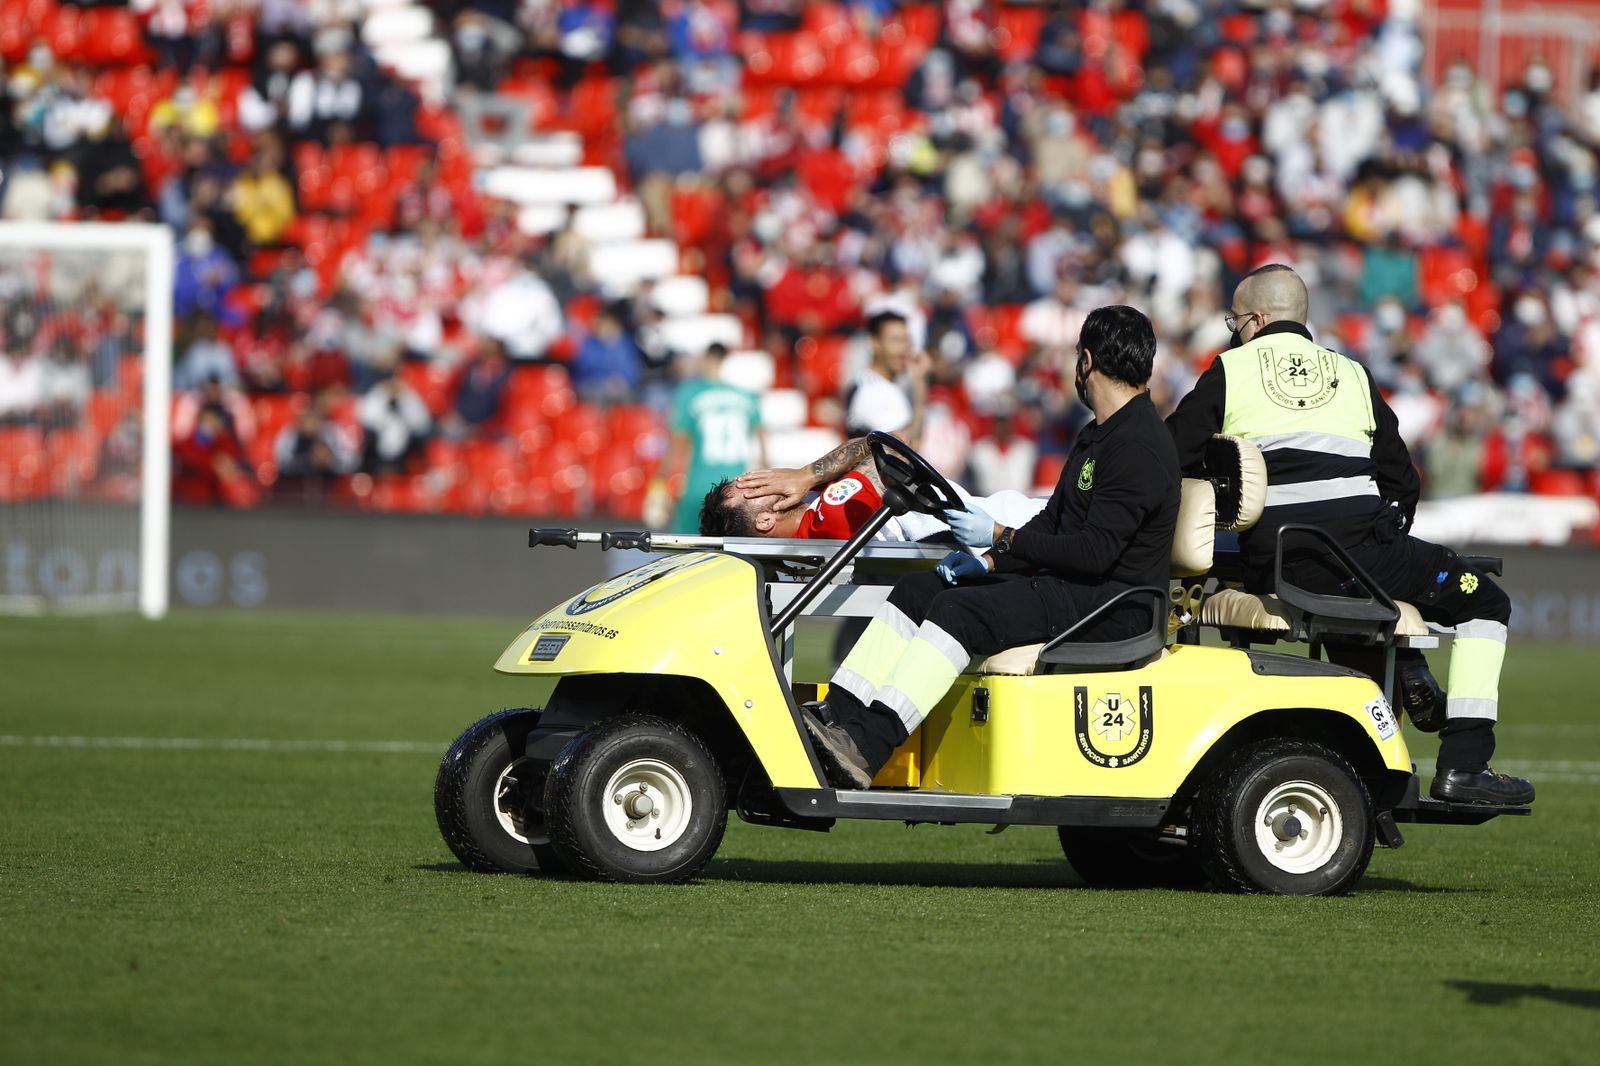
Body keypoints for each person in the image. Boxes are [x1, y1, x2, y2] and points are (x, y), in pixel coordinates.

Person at [1165, 264, 1533, 806]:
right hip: (1363, 555)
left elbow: (1175, 455)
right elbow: (1402, 483)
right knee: (1487, 602)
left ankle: (1405, 669)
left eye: (1234, 320)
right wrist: (1384, 548)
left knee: (1339, 583)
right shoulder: (1353, 374)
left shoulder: (1229, 370)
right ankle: (1465, 765)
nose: (1231, 330)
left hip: (1279, 560)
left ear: (1258, 319)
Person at [803, 305, 1180, 788]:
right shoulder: (1099, 435)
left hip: (1113, 603)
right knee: (919, 592)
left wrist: (1001, 536)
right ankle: (835, 718)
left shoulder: (1138, 444)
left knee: (961, 612)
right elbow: (1053, 521)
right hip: (1077, 586)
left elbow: (1095, 553)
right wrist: (989, 559)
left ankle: (867, 745)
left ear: (1085, 360)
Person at [699, 435, 1044, 541]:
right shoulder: (828, 515)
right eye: (753, 487)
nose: (766, 476)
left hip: (999, 516)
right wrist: (806, 474)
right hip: (1011, 521)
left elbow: (875, 443)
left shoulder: (820, 517)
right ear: (764, 522)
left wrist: (808, 477)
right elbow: (888, 450)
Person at [655, 343, 765, 534]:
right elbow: (762, 450)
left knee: (687, 550)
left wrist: (660, 483)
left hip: (698, 489)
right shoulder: (749, 397)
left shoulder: (690, 394)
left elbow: (677, 444)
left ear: (708, 360)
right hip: (737, 491)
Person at [845, 310, 930, 442]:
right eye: (896, 340)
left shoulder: (888, 387)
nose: (904, 348)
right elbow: (905, 447)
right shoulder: (871, 390)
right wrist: (920, 385)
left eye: (906, 340)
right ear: (874, 342)